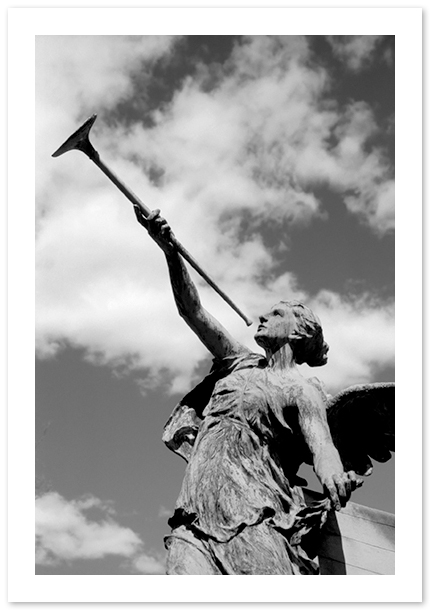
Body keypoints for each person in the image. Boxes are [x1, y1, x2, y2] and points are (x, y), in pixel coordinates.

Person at [140, 208, 362, 575]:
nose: (262, 316)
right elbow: (192, 311)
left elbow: (321, 445)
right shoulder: (237, 362)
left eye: (275, 314)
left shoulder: (301, 388)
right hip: (195, 516)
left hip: (256, 515)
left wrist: (334, 476)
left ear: (297, 332)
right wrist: (170, 252)